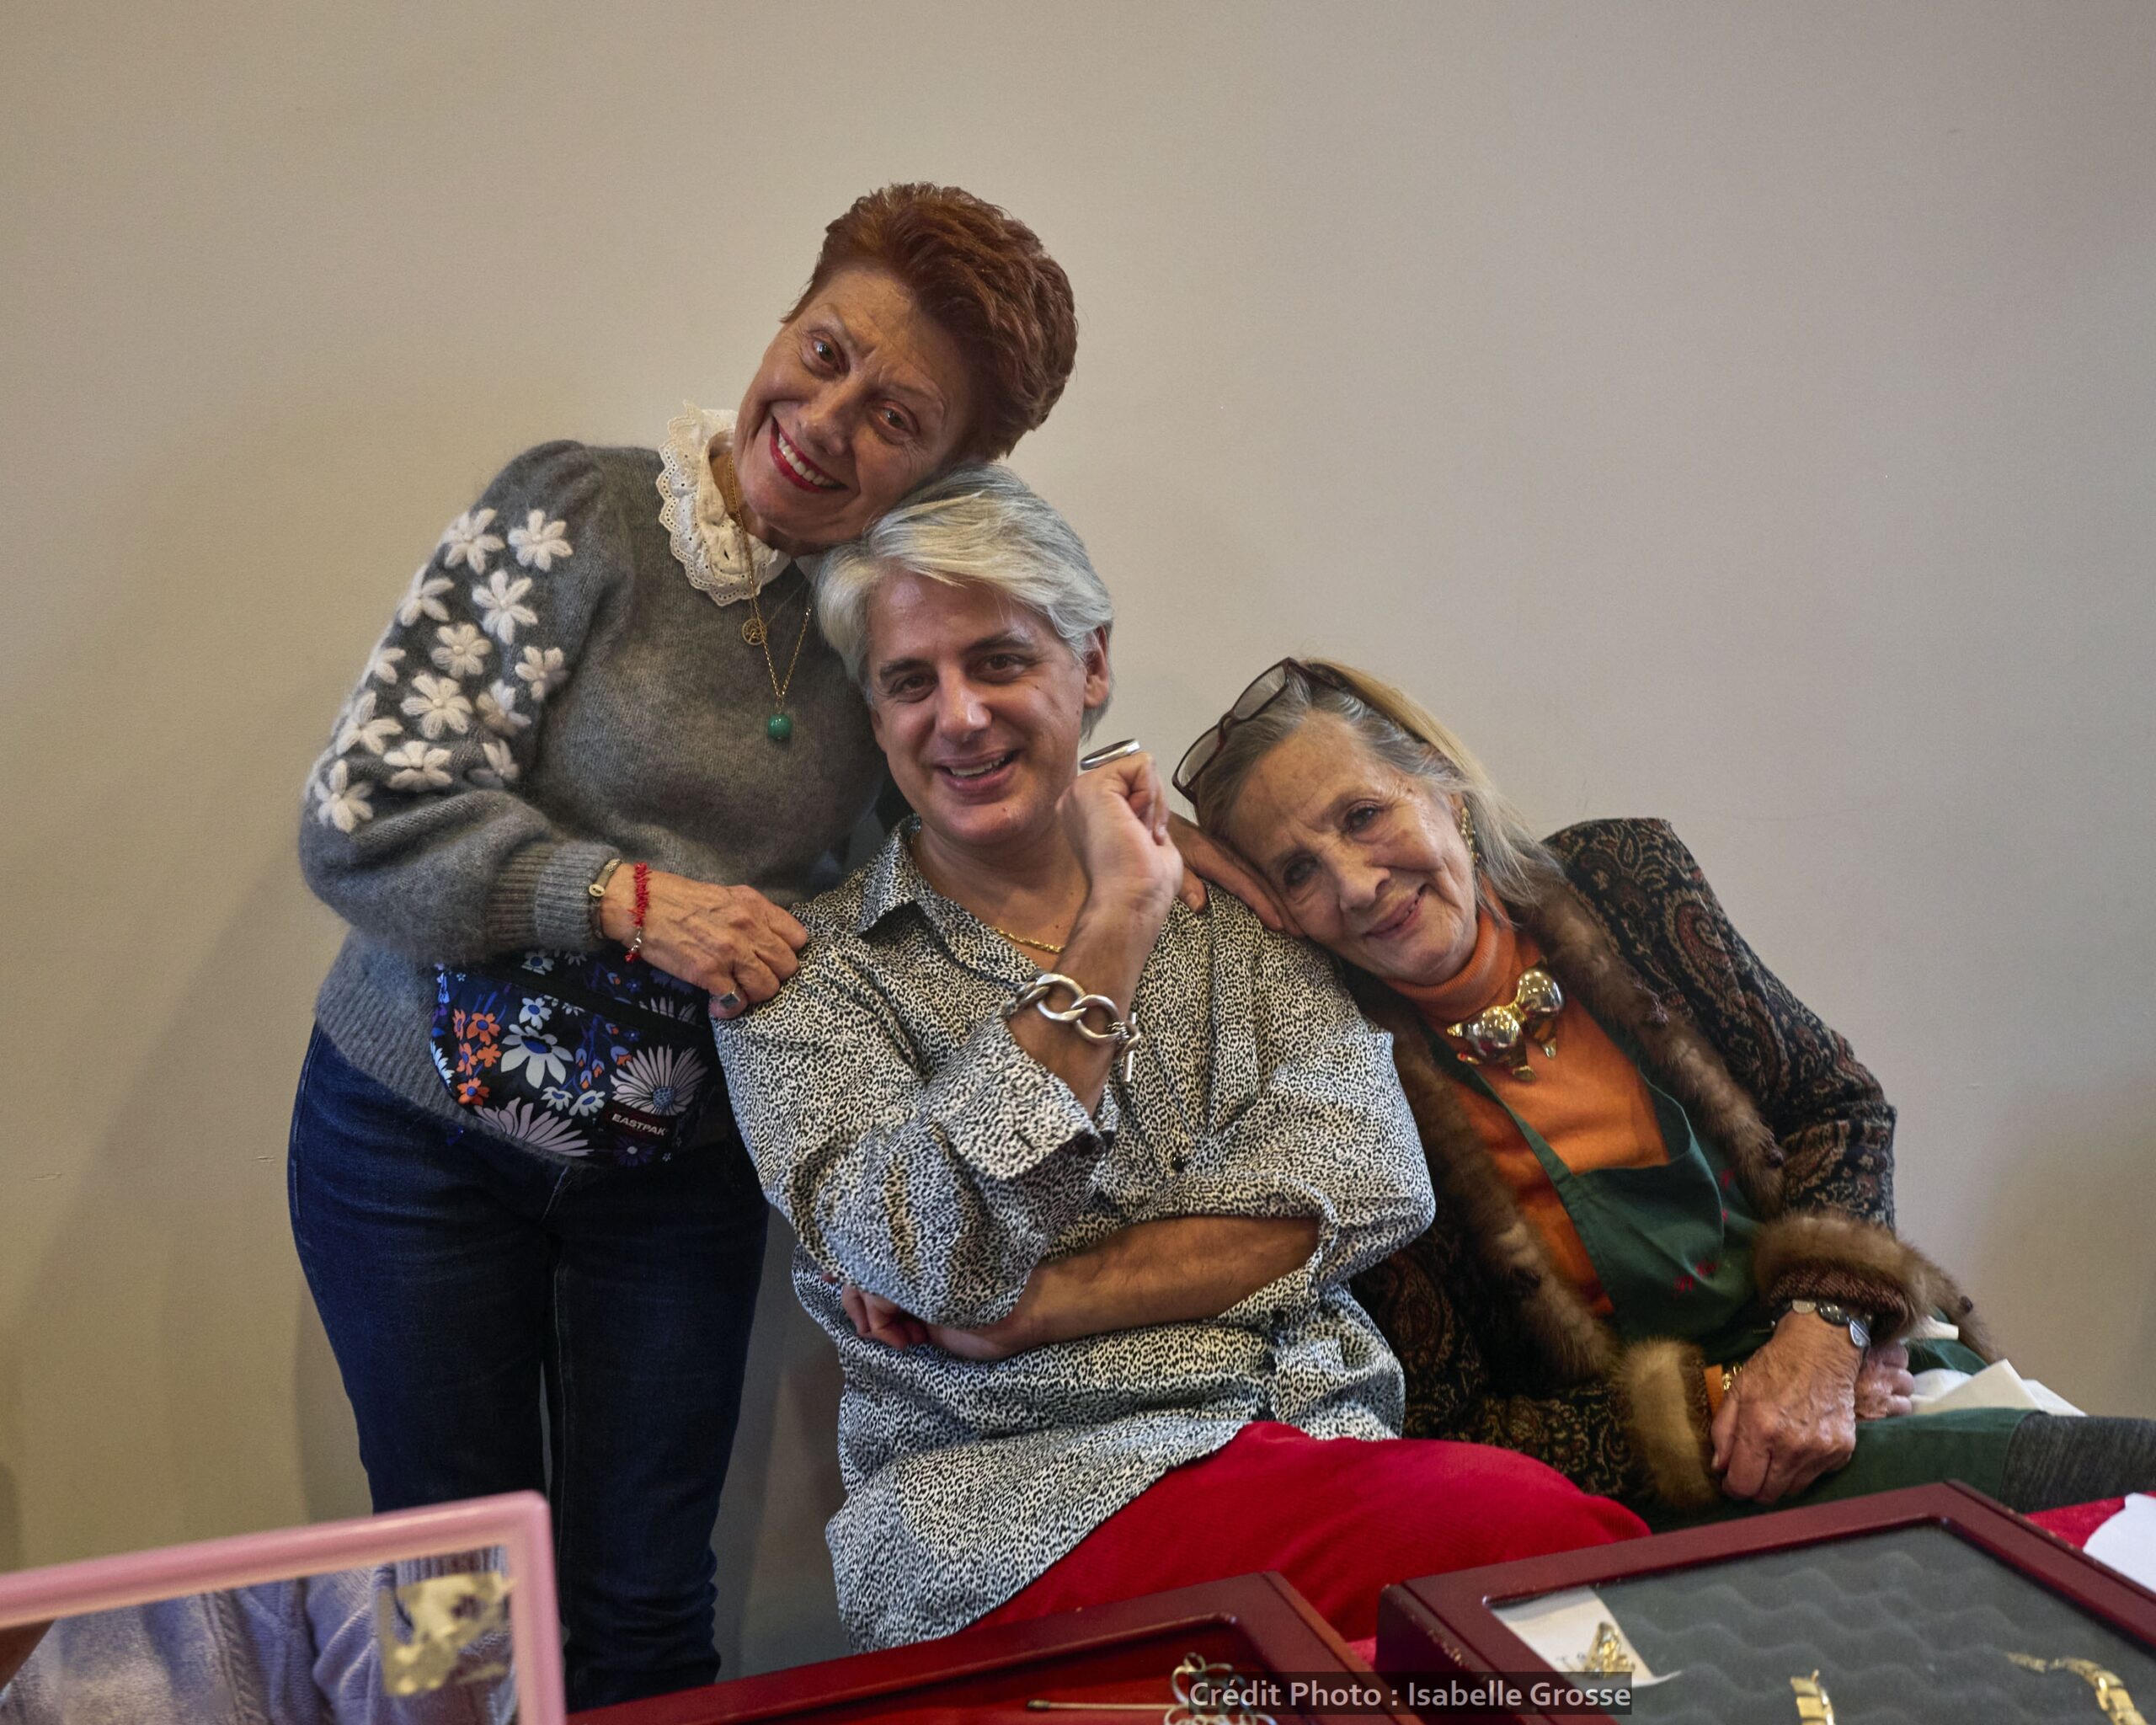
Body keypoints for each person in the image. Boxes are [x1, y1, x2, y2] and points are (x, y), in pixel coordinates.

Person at [290, 184, 1077, 1707]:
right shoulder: (578, 514)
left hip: (679, 1180)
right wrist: (622, 898)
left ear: (954, 466)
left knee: (647, 1606)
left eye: (896, 416)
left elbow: (957, 838)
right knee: (452, 1596)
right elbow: (362, 815)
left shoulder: (895, 625)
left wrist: (1124, 834)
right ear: (787, 321)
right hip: (410, 1149)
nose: (825, 420)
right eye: (826, 351)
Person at [711, 467, 1646, 1652]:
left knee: (1506, 1642)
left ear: (1092, 665)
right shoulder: (802, 979)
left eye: (999, 661)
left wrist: (1032, 1301)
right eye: (910, 681)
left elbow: (1368, 1177)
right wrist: (1112, 930)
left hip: (1316, 1439)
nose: (959, 715)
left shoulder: (1240, 913)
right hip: (1020, 1513)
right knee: (1546, 1546)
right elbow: (925, 1256)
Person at [1182, 658, 2156, 1520]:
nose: (1356, 883)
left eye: (1363, 816)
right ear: (1278, 914)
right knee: (2111, 1485)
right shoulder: (1337, 1092)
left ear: (1441, 785)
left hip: (1865, 1364)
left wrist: (1826, 1330)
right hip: (1683, 1489)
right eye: (1298, 871)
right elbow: (1449, 1426)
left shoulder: (1626, 879)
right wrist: (1731, 1399)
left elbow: (1835, 1107)